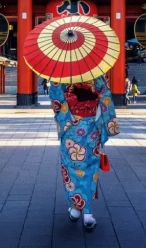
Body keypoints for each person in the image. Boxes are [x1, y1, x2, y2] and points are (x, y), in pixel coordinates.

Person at [48, 75, 118, 232]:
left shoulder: (60, 73)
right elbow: (105, 95)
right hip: (92, 126)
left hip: (71, 126)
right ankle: (87, 213)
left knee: (71, 167)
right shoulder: (95, 70)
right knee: (90, 167)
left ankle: (75, 208)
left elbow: (56, 100)